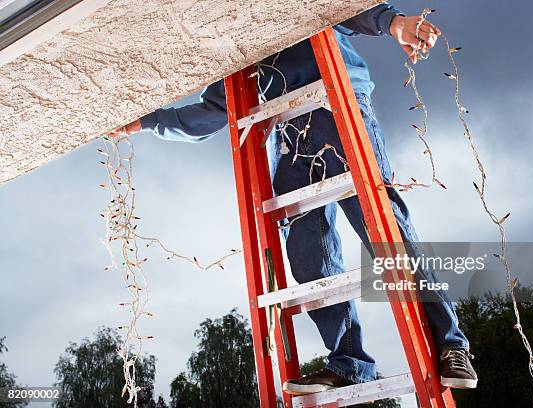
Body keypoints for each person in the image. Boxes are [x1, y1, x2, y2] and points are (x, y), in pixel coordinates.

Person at [109, 3, 478, 394]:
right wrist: (148, 122)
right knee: (308, 255)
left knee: (387, 233)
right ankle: (349, 362)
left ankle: (451, 345)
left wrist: (394, 23)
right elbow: (218, 109)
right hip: (288, 135)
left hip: (339, 105)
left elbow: (341, 8)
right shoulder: (229, 30)